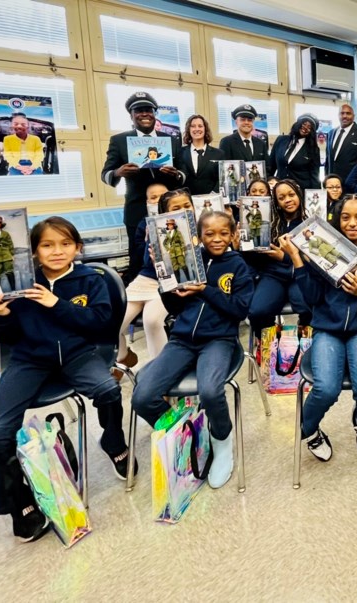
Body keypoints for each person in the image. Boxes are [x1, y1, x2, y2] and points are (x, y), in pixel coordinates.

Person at [0, 217, 133, 543]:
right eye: (47, 245)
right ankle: (19, 503)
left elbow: (100, 324)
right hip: (30, 361)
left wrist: (57, 304)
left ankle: (114, 442)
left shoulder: (90, 280)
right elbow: (7, 337)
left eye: (65, 244)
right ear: (34, 251)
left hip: (79, 354)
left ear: (78, 248)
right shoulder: (19, 283)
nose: (57, 251)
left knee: (108, 389)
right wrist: (2, 317)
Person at [131, 210, 254, 489]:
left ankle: (221, 439)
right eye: (209, 233)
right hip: (182, 340)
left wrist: (205, 290)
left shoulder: (238, 266)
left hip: (219, 340)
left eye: (224, 233)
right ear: (198, 236)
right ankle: (186, 436)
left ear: (233, 234)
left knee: (210, 391)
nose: (217, 239)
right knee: (142, 397)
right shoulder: (188, 260)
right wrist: (166, 280)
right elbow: (174, 307)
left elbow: (240, 310)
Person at [278, 195, 357, 462]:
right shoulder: (321, 251)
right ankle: (309, 430)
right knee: (325, 389)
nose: (352, 223)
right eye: (346, 217)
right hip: (327, 329)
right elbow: (311, 298)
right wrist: (298, 259)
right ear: (336, 221)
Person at [100, 92, 185, 282]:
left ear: (155, 114)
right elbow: (105, 174)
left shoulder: (171, 139)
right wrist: (118, 173)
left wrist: (176, 174)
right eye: (138, 110)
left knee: (174, 251)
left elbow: (184, 172)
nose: (144, 114)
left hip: (168, 208)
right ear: (131, 115)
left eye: (148, 110)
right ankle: (138, 294)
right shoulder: (119, 140)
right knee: (139, 256)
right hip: (137, 209)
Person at [114, 183, 181, 378]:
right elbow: (142, 262)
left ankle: (161, 374)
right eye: (153, 197)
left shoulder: (185, 222)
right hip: (146, 277)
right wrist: (148, 242)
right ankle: (123, 355)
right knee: (112, 321)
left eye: (163, 195)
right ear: (147, 201)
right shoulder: (145, 224)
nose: (159, 199)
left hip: (170, 280)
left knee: (151, 320)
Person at [247, 179, 312, 334]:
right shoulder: (267, 221)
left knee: (309, 307)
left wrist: (284, 257)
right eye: (281, 198)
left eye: (291, 195)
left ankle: (304, 342)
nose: (288, 200)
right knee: (257, 312)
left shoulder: (310, 222)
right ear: (276, 202)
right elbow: (255, 259)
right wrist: (242, 245)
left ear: (299, 195)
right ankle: (270, 345)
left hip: (301, 276)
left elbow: (315, 261)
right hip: (273, 276)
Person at [268, 114, 321, 191]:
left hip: (300, 192)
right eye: (304, 124)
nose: (305, 128)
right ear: (298, 124)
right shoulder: (281, 140)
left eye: (310, 127)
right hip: (280, 189)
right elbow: (271, 166)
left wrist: (316, 195)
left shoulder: (313, 150)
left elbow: (314, 176)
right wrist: (267, 183)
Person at [326, 104, 357, 181]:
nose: (345, 116)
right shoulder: (331, 133)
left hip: (352, 183)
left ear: (353, 116)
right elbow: (328, 160)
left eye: (348, 113)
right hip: (332, 182)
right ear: (338, 115)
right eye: (342, 113)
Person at [180, 114, 225, 195]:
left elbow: (222, 178)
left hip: (211, 201)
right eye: (193, 126)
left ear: (205, 129)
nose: (197, 129)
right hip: (186, 200)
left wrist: (213, 195)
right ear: (188, 130)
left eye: (200, 126)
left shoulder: (219, 154)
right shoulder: (180, 152)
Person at [162, 218, 190, 283]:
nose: (169, 226)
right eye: (168, 225)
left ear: (173, 225)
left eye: (170, 225)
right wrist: (168, 250)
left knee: (183, 265)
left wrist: (183, 250)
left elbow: (182, 241)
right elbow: (164, 243)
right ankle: (178, 282)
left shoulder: (177, 232)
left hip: (178, 251)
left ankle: (189, 280)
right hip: (172, 253)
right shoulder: (168, 234)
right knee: (175, 267)